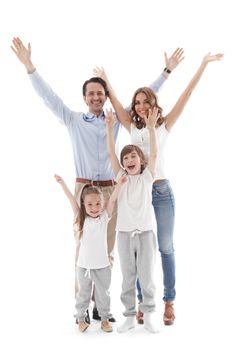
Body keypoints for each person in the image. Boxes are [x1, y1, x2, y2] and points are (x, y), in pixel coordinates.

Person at [11, 36, 183, 322]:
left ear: (105, 97)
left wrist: (166, 73)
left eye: (100, 94)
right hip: (83, 188)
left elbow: (142, 101)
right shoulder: (73, 119)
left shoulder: (113, 120)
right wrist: (30, 67)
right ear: (84, 97)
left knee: (109, 248)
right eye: (91, 94)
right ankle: (81, 308)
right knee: (82, 248)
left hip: (112, 189)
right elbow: (48, 97)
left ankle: (101, 306)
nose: (95, 97)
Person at [94, 51, 224, 326]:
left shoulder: (164, 125)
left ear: (153, 102)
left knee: (165, 247)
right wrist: (105, 80)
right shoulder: (131, 127)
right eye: (137, 102)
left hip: (160, 189)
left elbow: (186, 96)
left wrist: (202, 65)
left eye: (145, 101)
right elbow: (117, 103)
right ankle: (142, 303)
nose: (141, 106)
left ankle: (168, 301)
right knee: (140, 248)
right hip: (134, 193)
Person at [105, 107, 159, 333]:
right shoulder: (121, 177)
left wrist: (151, 129)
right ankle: (128, 315)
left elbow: (154, 154)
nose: (129, 160)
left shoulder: (147, 177)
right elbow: (111, 154)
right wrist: (109, 129)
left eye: (133, 156)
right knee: (128, 277)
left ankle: (147, 316)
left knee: (146, 277)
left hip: (146, 233)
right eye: (125, 158)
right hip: (125, 234)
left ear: (140, 159)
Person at [54, 174, 126, 332]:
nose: (94, 208)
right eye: (90, 204)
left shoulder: (104, 218)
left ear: (102, 204)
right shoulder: (82, 219)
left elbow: (112, 199)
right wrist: (63, 184)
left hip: (102, 266)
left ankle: (104, 319)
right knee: (83, 294)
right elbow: (72, 200)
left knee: (103, 294)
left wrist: (119, 184)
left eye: (98, 204)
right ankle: (81, 318)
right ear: (84, 205)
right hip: (84, 266)